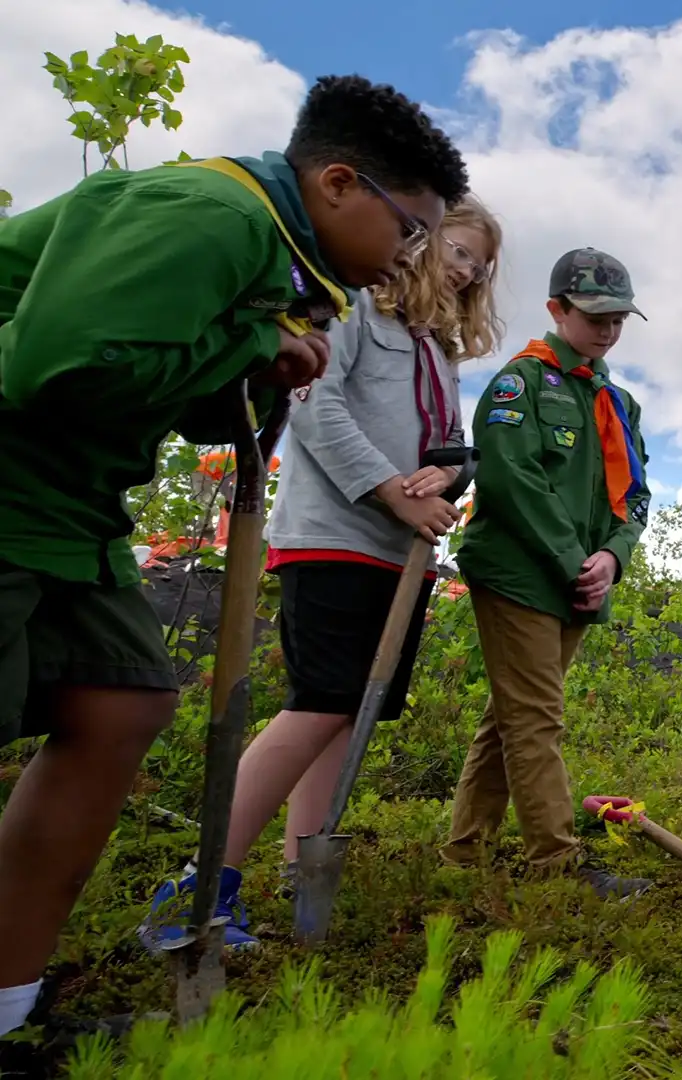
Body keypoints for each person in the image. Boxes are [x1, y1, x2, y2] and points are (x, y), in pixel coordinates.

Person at [0, 73, 467, 1035]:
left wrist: (257, 358)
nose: (411, 254)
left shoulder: (285, 267)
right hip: (12, 481)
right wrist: (255, 342)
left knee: (123, 697)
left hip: (70, 504)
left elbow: (169, 387)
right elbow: (62, 364)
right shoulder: (210, 212)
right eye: (409, 226)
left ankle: (9, 1003)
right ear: (339, 183)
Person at [139, 198, 503, 950]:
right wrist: (388, 493)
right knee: (318, 703)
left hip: (399, 555)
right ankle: (198, 885)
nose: (469, 271)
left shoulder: (438, 351)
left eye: (481, 263)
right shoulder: (356, 313)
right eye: (460, 251)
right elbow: (314, 409)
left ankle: (301, 880)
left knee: (344, 715)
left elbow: (447, 447)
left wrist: (447, 479)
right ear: (422, 244)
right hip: (333, 536)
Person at [440, 248, 653, 898]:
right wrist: (572, 561)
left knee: (512, 715)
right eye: (595, 315)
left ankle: (464, 851)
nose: (608, 328)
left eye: (618, 317)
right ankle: (556, 866)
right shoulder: (521, 384)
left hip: (583, 581)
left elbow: (637, 493)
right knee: (536, 718)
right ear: (557, 309)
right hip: (519, 573)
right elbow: (510, 478)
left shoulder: (619, 403)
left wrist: (612, 557)